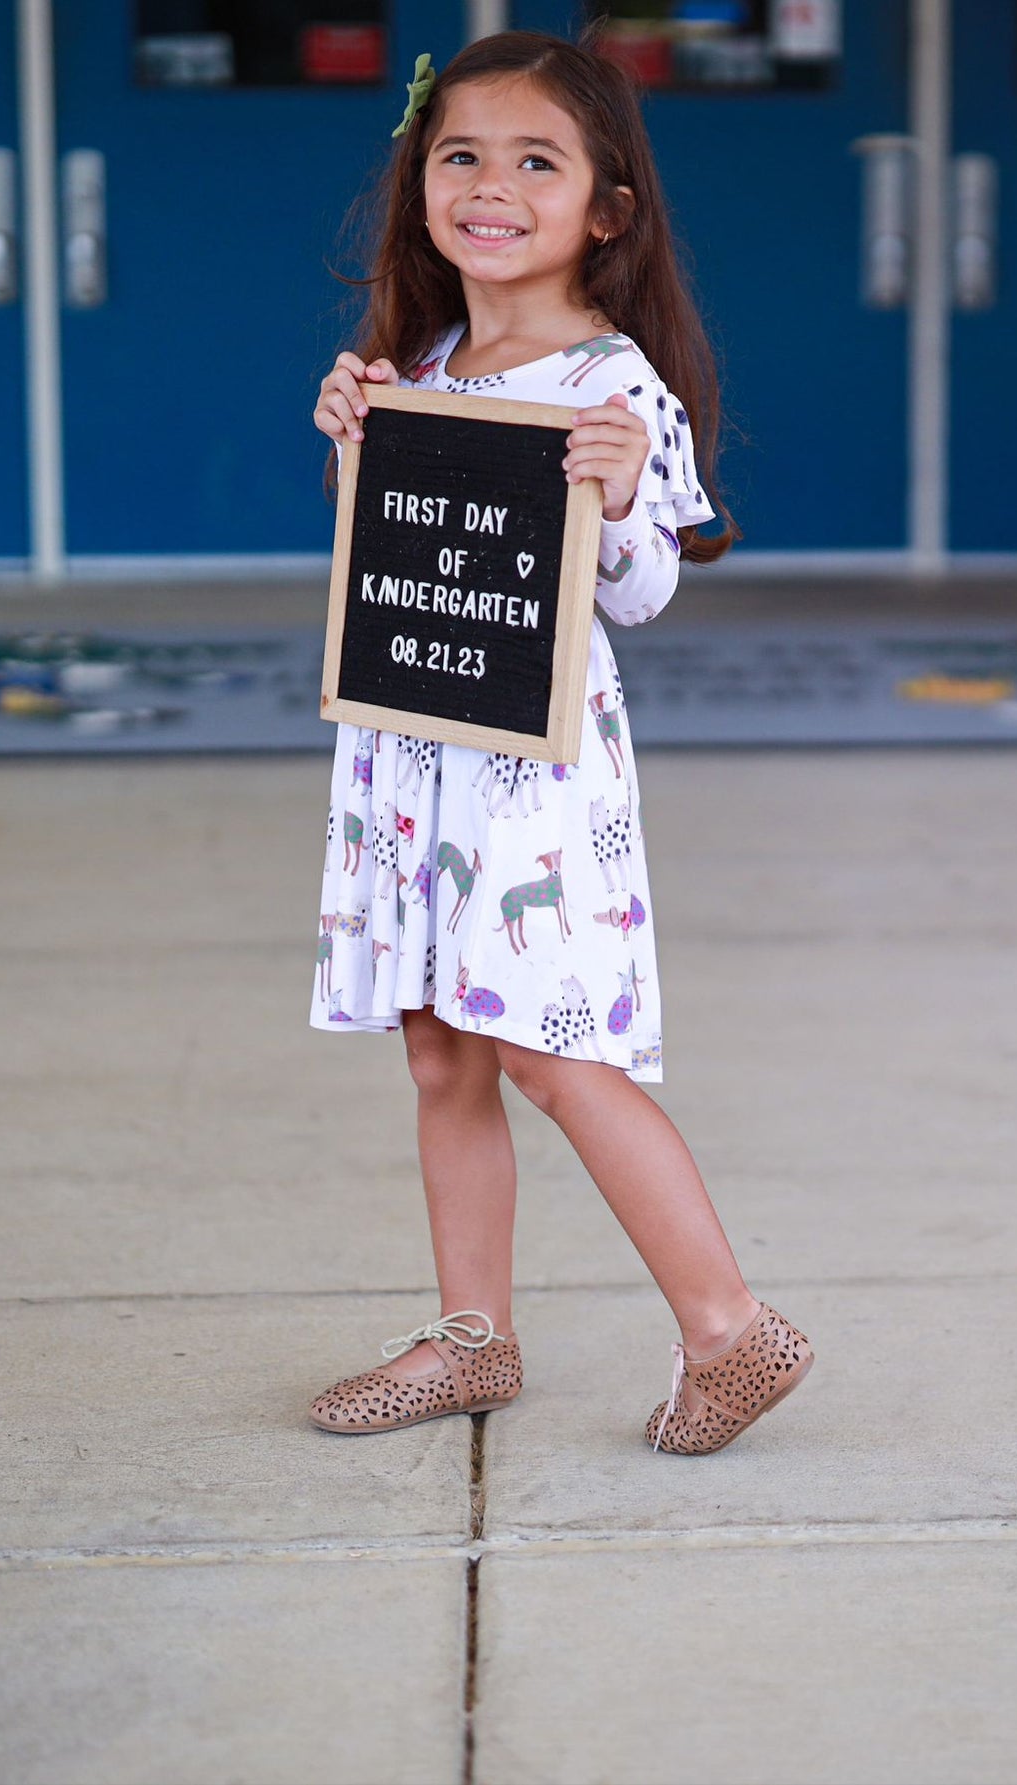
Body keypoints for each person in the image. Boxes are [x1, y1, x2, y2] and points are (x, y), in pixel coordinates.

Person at [305, 30, 810, 1456]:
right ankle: (473, 1334)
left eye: (539, 161)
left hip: (530, 776)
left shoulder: (610, 380)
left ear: (605, 208)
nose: (492, 185)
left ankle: (730, 1327)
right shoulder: (428, 360)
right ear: (419, 184)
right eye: (461, 154)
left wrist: (629, 490)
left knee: (551, 1047)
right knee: (442, 1049)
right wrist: (358, 436)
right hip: (418, 750)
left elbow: (644, 590)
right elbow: (395, 567)